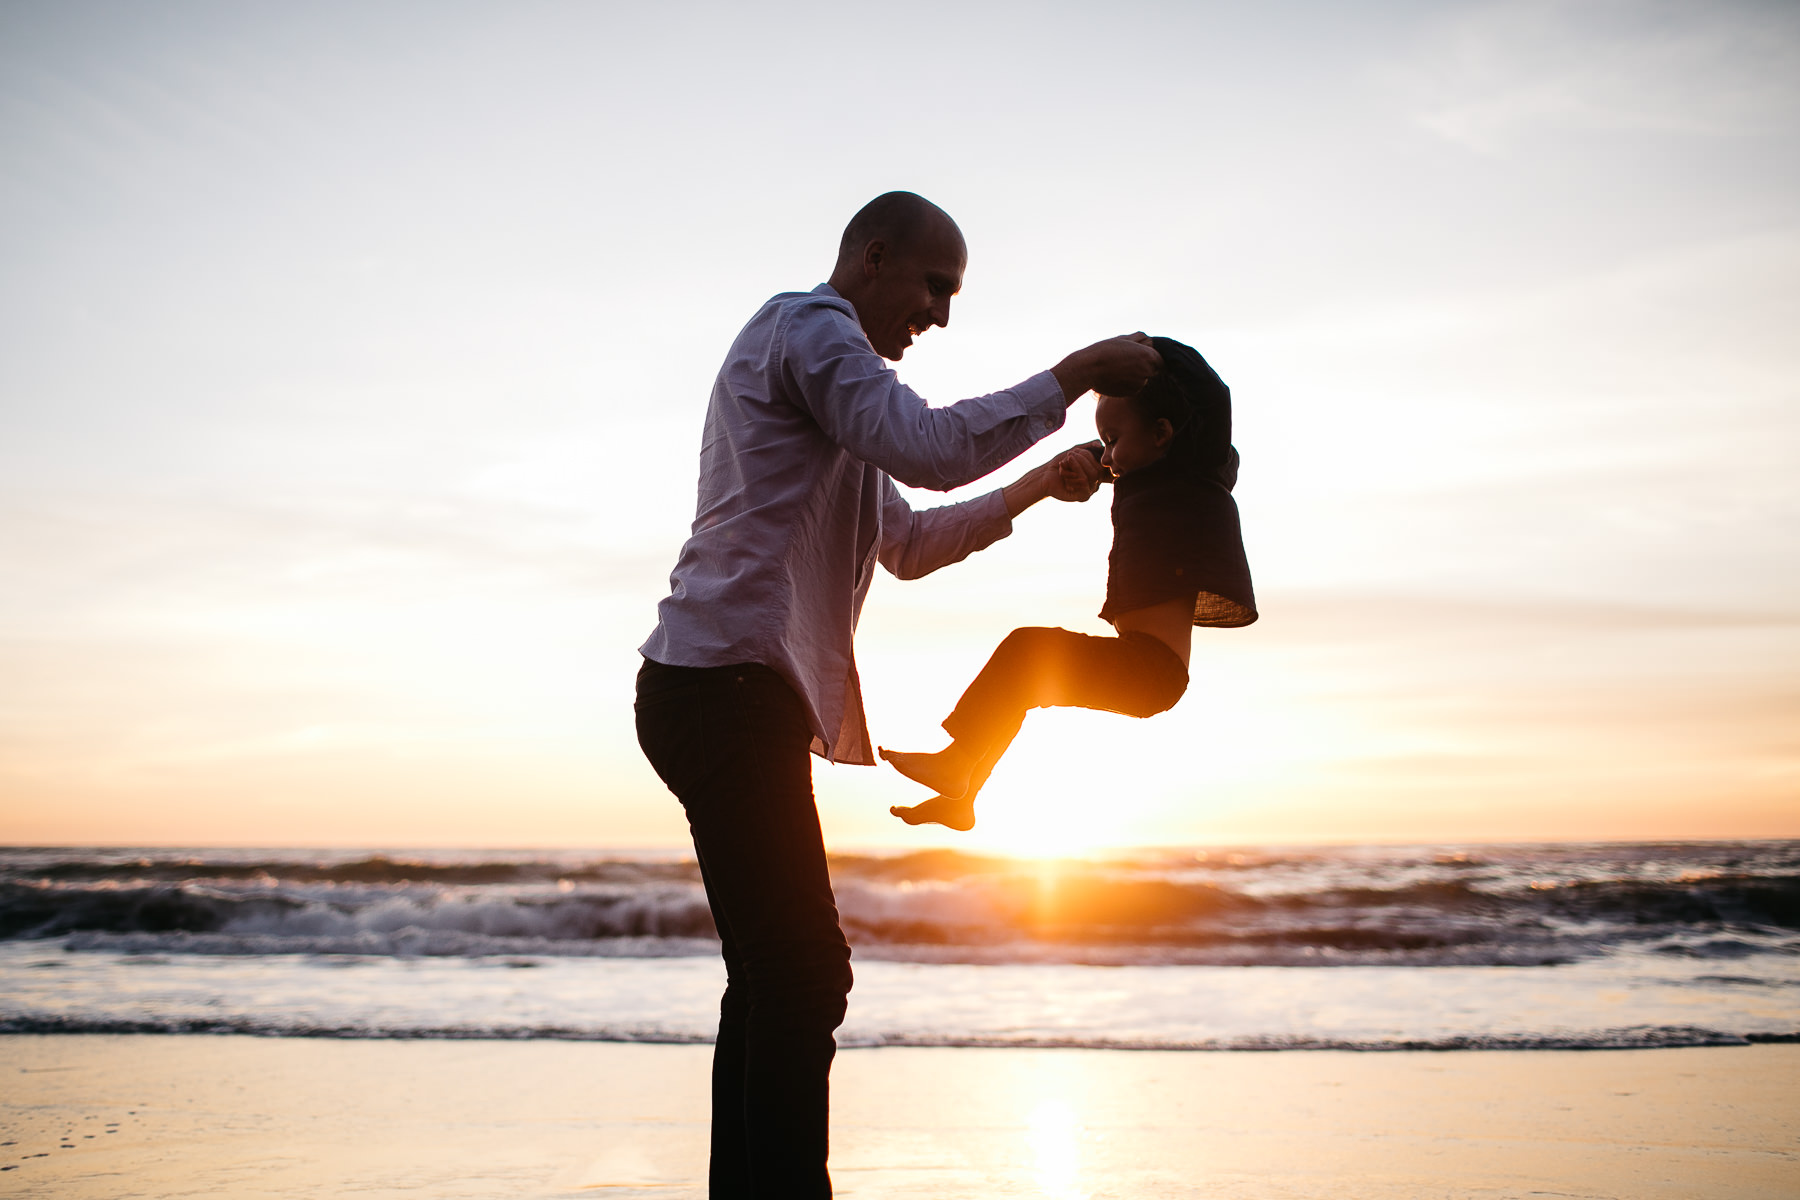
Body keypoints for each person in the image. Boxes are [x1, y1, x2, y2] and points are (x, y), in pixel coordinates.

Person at [633, 190, 1161, 1199]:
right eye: (935, 286)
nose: (942, 316)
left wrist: (1037, 486)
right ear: (873, 258)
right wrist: (1076, 374)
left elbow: (907, 543)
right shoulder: (812, 332)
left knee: (772, 977)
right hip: (723, 688)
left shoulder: (840, 403)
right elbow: (928, 444)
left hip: (722, 691)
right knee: (807, 972)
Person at [882, 336, 1257, 832]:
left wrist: (1147, 348)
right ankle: (962, 795)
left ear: (1164, 433)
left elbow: (1212, 395)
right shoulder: (1138, 468)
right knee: (1025, 676)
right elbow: (1106, 454)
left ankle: (958, 764)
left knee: (1026, 654)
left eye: (1114, 441)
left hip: (1154, 671)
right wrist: (1077, 463)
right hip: (1145, 667)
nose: (1107, 455)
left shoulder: (1194, 469)